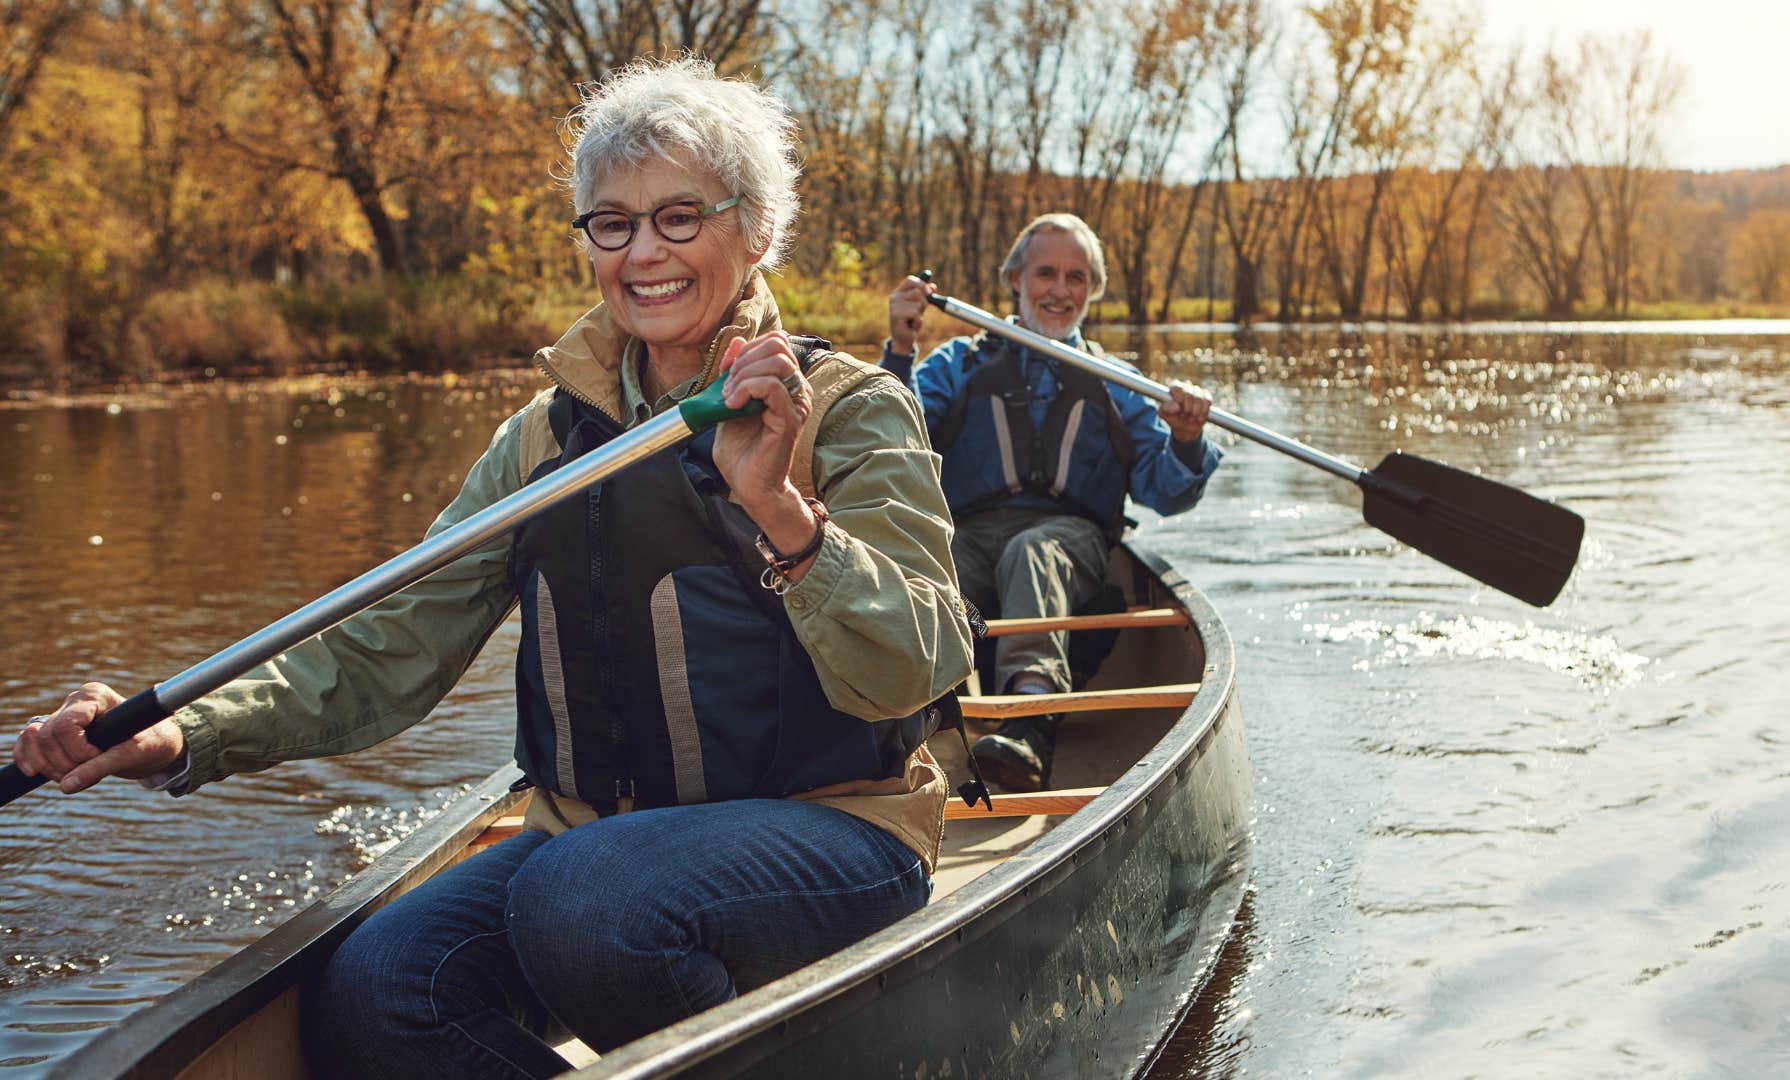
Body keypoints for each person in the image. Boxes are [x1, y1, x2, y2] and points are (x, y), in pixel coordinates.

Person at [11, 57, 972, 1079]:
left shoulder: (852, 405)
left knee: (587, 902)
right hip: (591, 850)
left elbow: (923, 659)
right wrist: (176, 732)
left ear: (759, 231)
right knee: (382, 987)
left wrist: (778, 508)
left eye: (681, 217)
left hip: (829, 836)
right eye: (614, 222)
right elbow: (386, 644)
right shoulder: (539, 443)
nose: (644, 251)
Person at [882, 213, 1220, 793]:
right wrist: (901, 348)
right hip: (970, 535)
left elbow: (1166, 491)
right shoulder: (956, 364)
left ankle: (1030, 722)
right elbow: (891, 443)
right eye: (1046, 273)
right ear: (1015, 279)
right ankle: (906, 722)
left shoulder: (1117, 381)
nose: (1061, 290)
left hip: (1071, 542)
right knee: (928, 560)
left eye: (1077, 277)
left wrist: (1187, 439)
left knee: (1032, 551)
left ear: (1092, 290)